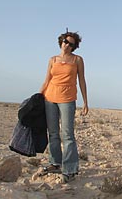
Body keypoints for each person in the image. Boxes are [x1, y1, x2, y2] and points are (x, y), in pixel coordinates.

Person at [39, 30, 88, 183]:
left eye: (71, 44)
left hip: (67, 99)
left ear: (74, 47)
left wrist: (85, 102)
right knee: (53, 133)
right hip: (49, 98)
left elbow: (82, 81)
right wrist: (38, 96)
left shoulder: (77, 60)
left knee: (67, 135)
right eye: (65, 41)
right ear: (61, 41)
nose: (67, 45)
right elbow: (47, 79)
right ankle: (55, 163)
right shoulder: (52, 59)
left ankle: (70, 169)